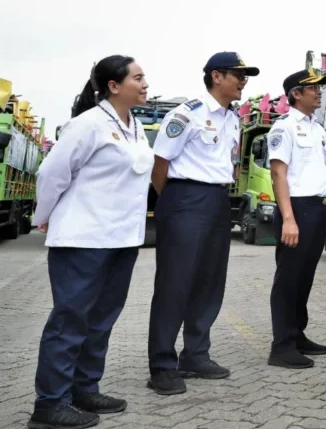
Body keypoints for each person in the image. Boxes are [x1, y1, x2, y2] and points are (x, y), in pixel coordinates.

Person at [29, 56, 153, 429]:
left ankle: (84, 388)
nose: (146, 83)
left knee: (100, 321)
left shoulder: (135, 127)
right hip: (83, 239)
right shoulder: (87, 124)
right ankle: (50, 404)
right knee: (70, 321)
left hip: (121, 239)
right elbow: (51, 173)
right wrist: (44, 216)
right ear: (114, 86)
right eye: (138, 77)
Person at [146, 52, 257, 395]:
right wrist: (174, 202)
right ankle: (162, 365)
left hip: (217, 201)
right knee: (175, 284)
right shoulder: (186, 114)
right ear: (216, 76)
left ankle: (195, 354)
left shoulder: (232, 119)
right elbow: (160, 162)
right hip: (184, 200)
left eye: (245, 76)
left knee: (209, 282)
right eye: (238, 75)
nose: (243, 81)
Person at [266, 68, 326, 369]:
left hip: (316, 208)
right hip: (296, 208)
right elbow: (279, 173)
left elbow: (319, 173)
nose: (319, 91)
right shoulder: (284, 127)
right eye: (312, 88)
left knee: (305, 276)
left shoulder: (317, 128)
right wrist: (288, 218)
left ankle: (297, 334)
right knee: (289, 278)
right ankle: (281, 346)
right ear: (295, 94)